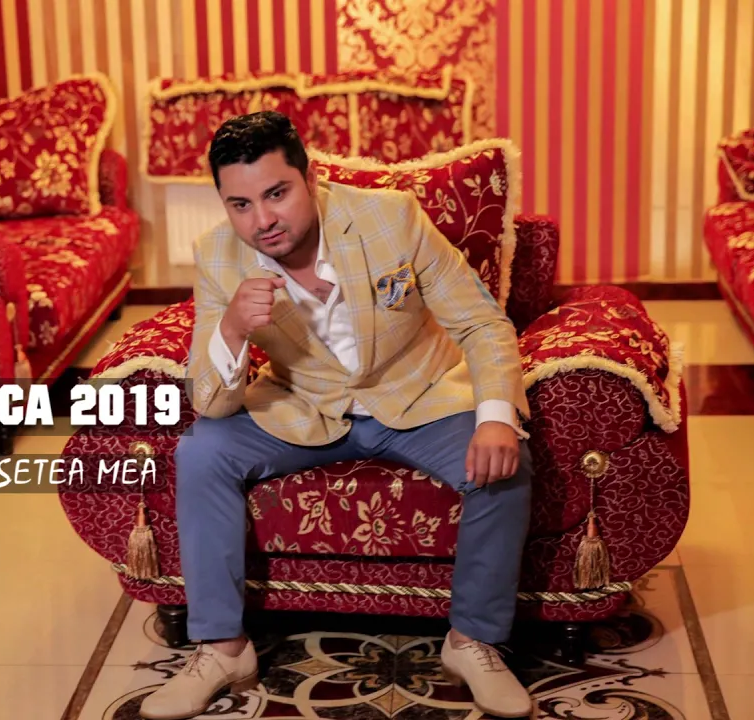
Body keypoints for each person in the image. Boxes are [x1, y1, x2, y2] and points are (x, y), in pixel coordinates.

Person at [138, 111, 534, 720]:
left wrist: (496, 417)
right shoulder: (217, 255)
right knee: (202, 449)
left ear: (311, 179)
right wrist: (232, 328)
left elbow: (481, 323)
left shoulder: (392, 219)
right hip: (303, 406)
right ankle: (221, 649)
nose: (262, 220)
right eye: (240, 204)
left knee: (507, 461)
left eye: (277, 193)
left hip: (420, 395)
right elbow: (211, 403)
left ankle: (472, 641)